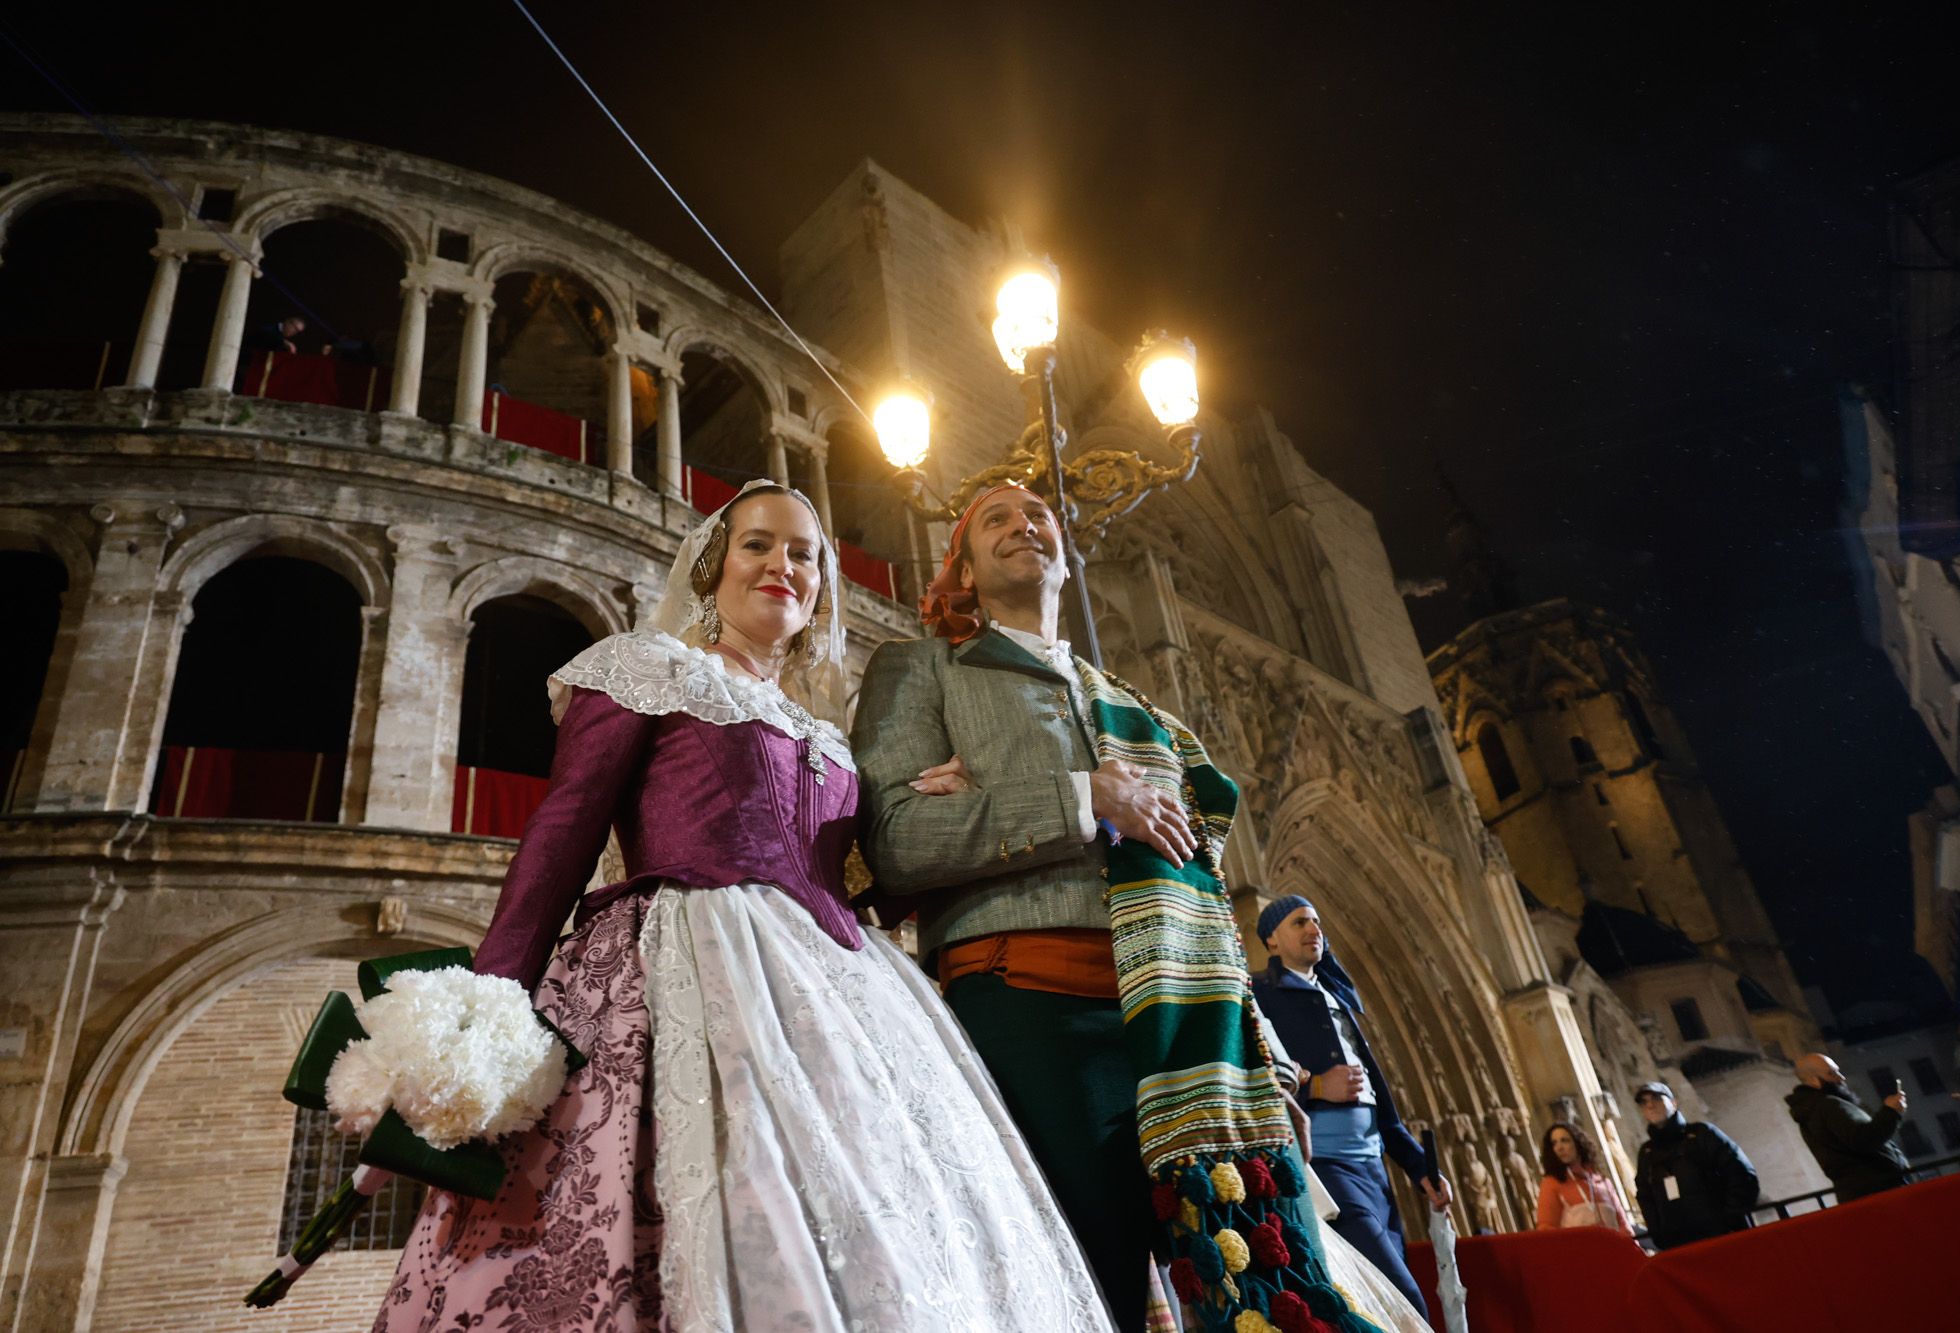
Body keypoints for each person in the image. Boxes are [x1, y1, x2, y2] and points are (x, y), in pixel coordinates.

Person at [373, 482, 1113, 1332]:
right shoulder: (647, 668)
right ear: (715, 562)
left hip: (843, 990)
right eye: (758, 544)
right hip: (687, 961)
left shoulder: (829, 739)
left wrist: (928, 802)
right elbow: (564, 829)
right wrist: (489, 1000)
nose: (781, 567)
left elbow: (850, 880)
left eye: (803, 554)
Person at [851, 483, 1420, 1333]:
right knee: (1088, 1286)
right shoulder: (925, 667)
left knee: (1265, 1285)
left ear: (1066, 552)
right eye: (994, 519)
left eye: (1038, 513)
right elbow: (894, 841)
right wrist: (1085, 794)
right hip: (1033, 1010)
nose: (1023, 523)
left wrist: (1256, 1052)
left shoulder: (1138, 711)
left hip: (1188, 1026)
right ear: (960, 568)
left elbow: (1200, 897)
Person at [1251, 896, 1452, 1313]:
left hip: (1375, 1172)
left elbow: (1382, 1105)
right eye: (1299, 922)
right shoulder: (1259, 994)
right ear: (1271, 939)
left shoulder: (1336, 997)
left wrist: (1420, 1169)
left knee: (1389, 1298)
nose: (1314, 930)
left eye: (1317, 921)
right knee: (1401, 1299)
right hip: (1326, 1169)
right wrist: (1317, 1086)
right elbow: (1252, 1080)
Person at [1631, 1082, 1758, 1249]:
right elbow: (1645, 1196)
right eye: (1643, 1102)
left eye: (1656, 1098)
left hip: (1724, 1236)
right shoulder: (1647, 1152)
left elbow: (1741, 1173)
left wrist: (1730, 1218)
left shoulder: (1702, 1135)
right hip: (1680, 1244)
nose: (1650, 1105)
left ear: (1673, 1103)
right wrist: (1659, 1233)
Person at [1786, 1054, 1913, 1203]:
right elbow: (1864, 1139)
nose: (1841, 1078)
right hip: (1878, 1192)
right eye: (1831, 1073)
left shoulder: (1813, 1108)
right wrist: (1891, 1112)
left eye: (1838, 1071)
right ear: (1813, 1080)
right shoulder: (1828, 1105)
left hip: (1862, 1193)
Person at [1534, 1121, 1634, 1236]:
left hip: (1614, 1249)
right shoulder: (1551, 1183)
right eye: (1554, 1143)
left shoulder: (1603, 1182)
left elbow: (1623, 1224)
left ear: (1578, 1142)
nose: (1559, 1147)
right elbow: (1546, 1228)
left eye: (1564, 1140)